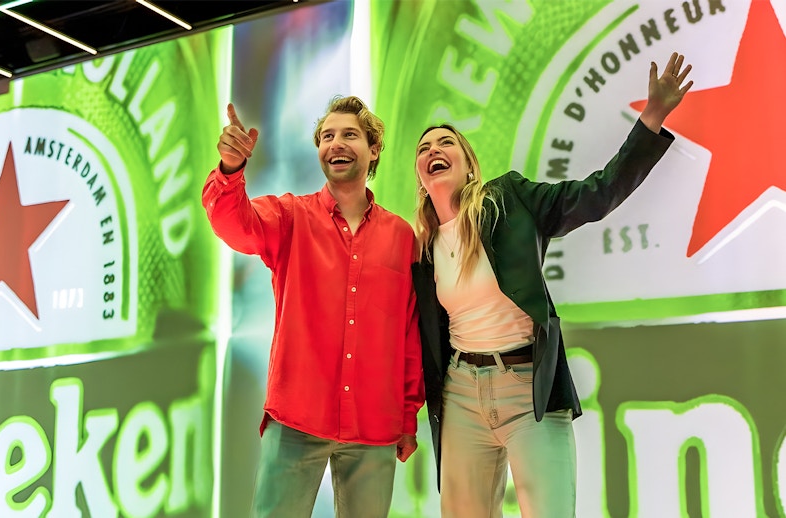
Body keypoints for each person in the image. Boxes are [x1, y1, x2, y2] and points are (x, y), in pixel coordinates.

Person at [410, 52, 693, 517]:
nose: (433, 150)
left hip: (527, 387)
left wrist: (652, 117)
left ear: (470, 165)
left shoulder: (510, 200)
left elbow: (598, 193)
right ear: (421, 177)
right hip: (461, 393)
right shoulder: (422, 249)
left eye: (446, 142)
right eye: (424, 149)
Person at [202, 96, 424, 517]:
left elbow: (409, 335)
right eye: (326, 136)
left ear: (374, 149)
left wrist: (408, 415)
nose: (335, 143)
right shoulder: (289, 215)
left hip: (374, 426)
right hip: (296, 417)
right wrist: (230, 169)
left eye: (349, 135)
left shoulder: (401, 236)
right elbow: (233, 224)